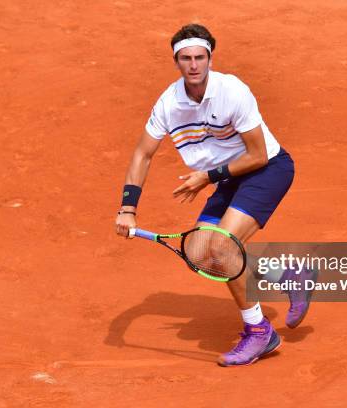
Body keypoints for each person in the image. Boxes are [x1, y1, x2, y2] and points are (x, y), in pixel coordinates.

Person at [115, 23, 308, 366]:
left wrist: (206, 176)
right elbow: (143, 153)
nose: (193, 65)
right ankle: (285, 274)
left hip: (268, 169)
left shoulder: (232, 91)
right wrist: (127, 207)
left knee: (222, 246)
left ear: (210, 58)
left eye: (200, 58)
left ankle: (260, 332)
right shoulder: (168, 103)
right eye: (186, 58)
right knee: (202, 253)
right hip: (228, 176)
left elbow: (258, 156)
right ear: (176, 61)